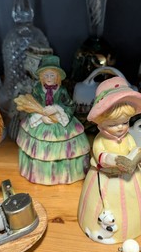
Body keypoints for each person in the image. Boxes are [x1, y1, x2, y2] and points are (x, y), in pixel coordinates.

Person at [77, 76, 141, 244]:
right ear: (100, 123)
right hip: (104, 178)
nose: (120, 127)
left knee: (133, 205)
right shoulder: (100, 140)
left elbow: (134, 149)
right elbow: (100, 156)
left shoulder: (128, 138)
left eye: (124, 122)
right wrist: (114, 159)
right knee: (99, 204)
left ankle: (133, 225)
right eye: (113, 124)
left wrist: (137, 154)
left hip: (129, 179)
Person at [16, 55, 90, 185]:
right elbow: (32, 105)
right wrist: (41, 115)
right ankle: (40, 174)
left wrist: (56, 109)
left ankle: (63, 174)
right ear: (41, 77)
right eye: (46, 75)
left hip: (59, 121)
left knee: (64, 148)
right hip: (40, 120)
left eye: (52, 75)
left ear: (57, 77)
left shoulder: (61, 91)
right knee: (40, 149)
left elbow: (70, 105)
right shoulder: (37, 89)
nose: (49, 79)